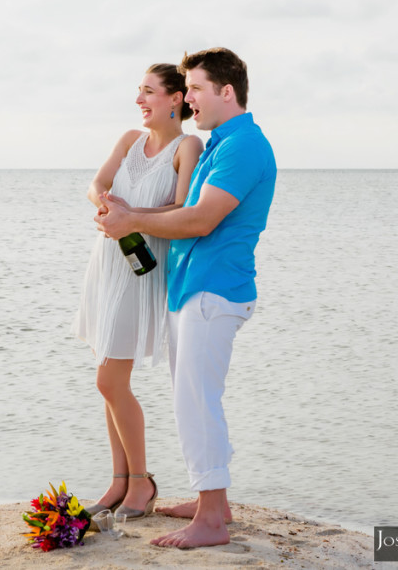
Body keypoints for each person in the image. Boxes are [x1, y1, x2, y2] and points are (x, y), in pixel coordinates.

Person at [95, 48, 276, 549]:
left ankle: (213, 518)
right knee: (193, 398)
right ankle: (210, 501)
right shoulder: (221, 143)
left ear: (226, 91)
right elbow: (184, 212)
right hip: (192, 287)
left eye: (195, 88)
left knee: (195, 402)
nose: (189, 96)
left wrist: (132, 220)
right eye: (188, 88)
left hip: (216, 289)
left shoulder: (243, 147)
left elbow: (199, 219)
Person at [72, 63, 204, 521]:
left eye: (149, 91)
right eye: (139, 91)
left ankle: (142, 482)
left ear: (176, 100)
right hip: (107, 262)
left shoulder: (189, 146)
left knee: (109, 380)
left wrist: (133, 215)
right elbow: (95, 185)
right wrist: (106, 205)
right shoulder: (128, 139)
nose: (139, 100)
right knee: (110, 385)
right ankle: (118, 482)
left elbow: (185, 207)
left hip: (143, 270)